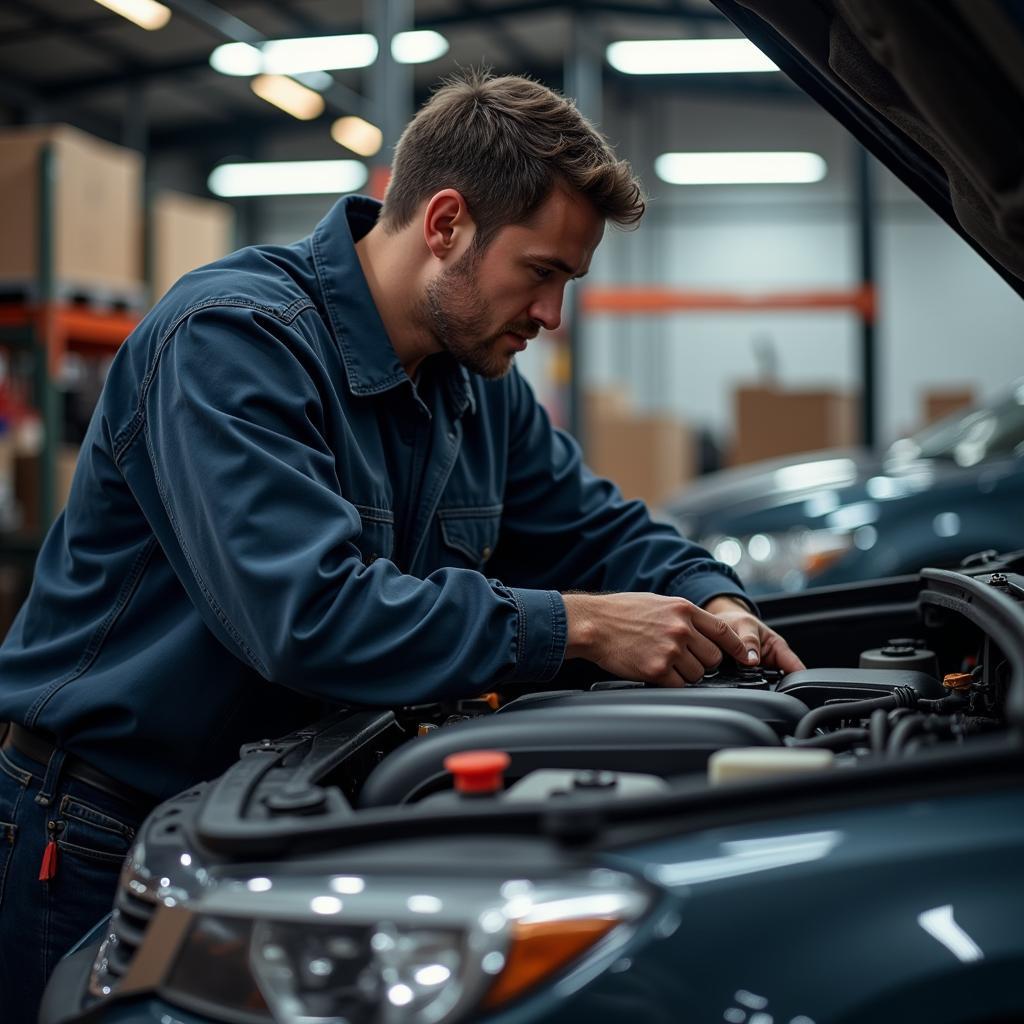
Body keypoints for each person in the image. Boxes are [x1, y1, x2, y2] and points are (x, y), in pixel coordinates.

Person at [0, 70, 803, 1018]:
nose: (552, 316)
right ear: (446, 223)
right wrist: (577, 626)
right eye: (542, 273)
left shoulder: (474, 381)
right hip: (109, 825)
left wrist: (714, 597)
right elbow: (311, 616)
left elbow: (595, 528)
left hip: (284, 806)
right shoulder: (233, 341)